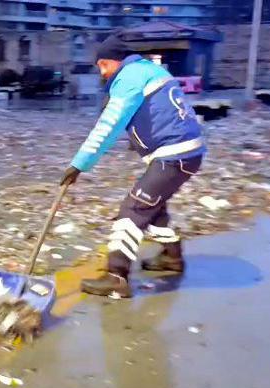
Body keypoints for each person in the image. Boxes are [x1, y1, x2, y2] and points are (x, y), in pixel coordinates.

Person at [60, 34, 206, 298]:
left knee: (133, 208)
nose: (102, 73)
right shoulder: (149, 70)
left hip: (174, 154)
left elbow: (108, 125)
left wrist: (79, 164)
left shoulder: (129, 78)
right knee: (152, 207)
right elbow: (157, 112)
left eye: (103, 65)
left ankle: (117, 277)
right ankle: (172, 258)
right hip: (185, 152)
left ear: (115, 61)